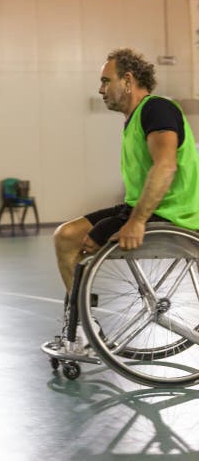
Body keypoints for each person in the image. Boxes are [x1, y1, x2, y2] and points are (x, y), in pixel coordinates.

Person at [52, 48, 199, 353]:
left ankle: (81, 328)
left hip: (172, 217)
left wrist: (137, 221)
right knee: (67, 237)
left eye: (106, 81)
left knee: (80, 241)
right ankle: (81, 323)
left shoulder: (156, 109)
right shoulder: (134, 119)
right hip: (140, 209)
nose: (100, 89)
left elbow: (166, 166)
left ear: (128, 80)